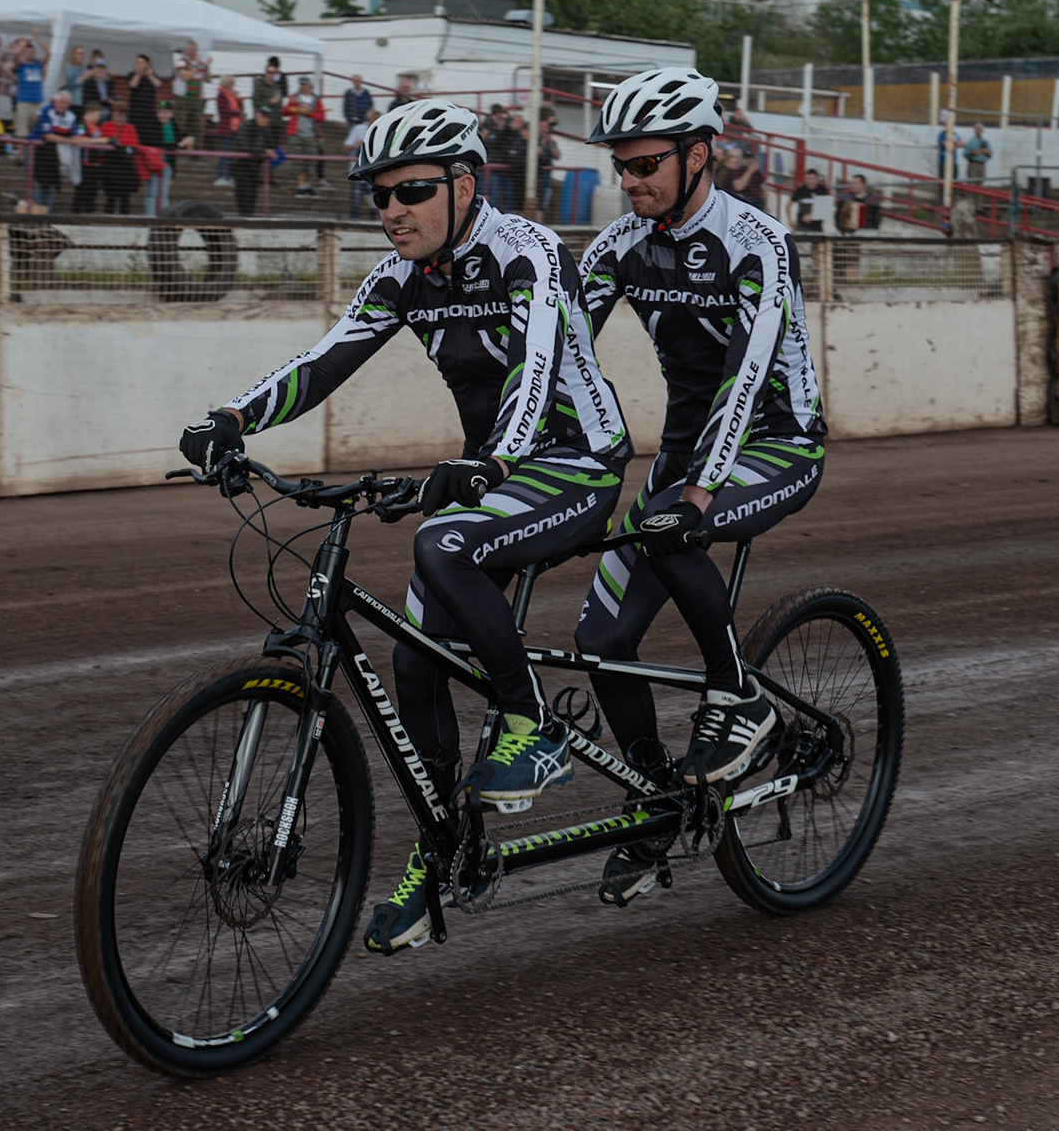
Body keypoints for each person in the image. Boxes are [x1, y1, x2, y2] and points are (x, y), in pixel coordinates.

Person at [178, 99, 632, 955]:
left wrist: (491, 463)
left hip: (575, 462)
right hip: (493, 471)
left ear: (465, 184)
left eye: (410, 191)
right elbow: (324, 361)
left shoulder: (528, 251)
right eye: (378, 195)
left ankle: (532, 728)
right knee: (413, 663)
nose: (391, 210)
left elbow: (534, 371)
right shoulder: (399, 276)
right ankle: (443, 847)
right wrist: (231, 419)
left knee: (441, 542)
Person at [575, 69, 825, 906]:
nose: (630, 180)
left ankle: (740, 697)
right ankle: (658, 800)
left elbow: (745, 380)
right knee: (600, 640)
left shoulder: (757, 239)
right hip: (687, 451)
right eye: (622, 164)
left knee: (667, 530)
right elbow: (558, 353)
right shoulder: (619, 245)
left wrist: (695, 495)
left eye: (646, 164)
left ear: (699, 154)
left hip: (776, 441)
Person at [26, 90, 81, 212]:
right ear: (55, 101)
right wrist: (68, 141)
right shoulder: (46, 111)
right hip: (35, 150)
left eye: (66, 103)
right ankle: (34, 214)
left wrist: (69, 140)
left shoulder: (71, 116)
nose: (63, 105)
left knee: (48, 185)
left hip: (51, 154)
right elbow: (48, 136)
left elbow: (75, 136)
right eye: (61, 102)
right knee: (35, 184)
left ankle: (46, 214)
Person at [282, 76, 325, 197]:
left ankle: (308, 186)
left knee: (311, 161)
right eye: (301, 84)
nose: (303, 86)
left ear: (310, 86)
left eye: (305, 84)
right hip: (296, 133)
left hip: (312, 134)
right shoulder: (294, 97)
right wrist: (294, 107)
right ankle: (300, 186)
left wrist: (309, 113)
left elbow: (322, 117)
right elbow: (284, 112)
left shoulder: (316, 99)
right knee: (298, 161)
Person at [230, 104, 274, 215]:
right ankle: (244, 216)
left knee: (253, 192)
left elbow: (271, 145)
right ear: (256, 115)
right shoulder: (246, 126)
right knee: (243, 191)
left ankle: (249, 215)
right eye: (263, 116)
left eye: (267, 117)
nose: (265, 120)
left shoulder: (266, 129)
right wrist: (264, 151)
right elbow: (245, 146)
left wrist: (272, 150)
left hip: (254, 165)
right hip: (240, 164)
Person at [9, 33, 48, 141]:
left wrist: (38, 38)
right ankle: (20, 151)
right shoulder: (21, 65)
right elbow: (16, 53)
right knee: (21, 132)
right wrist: (26, 41)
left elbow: (48, 53)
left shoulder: (38, 64)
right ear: (24, 53)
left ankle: (31, 151)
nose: (31, 54)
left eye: (33, 52)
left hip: (37, 102)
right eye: (28, 52)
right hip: (24, 102)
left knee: (35, 131)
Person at [343, 105, 379, 218]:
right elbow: (346, 147)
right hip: (357, 167)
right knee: (356, 192)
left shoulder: (380, 130)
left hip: (373, 168)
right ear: (369, 118)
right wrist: (357, 144)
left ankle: (373, 215)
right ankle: (354, 214)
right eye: (375, 117)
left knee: (371, 192)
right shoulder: (358, 129)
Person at [211, 73, 243, 186]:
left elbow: (239, 110)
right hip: (226, 129)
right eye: (231, 82)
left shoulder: (232, 96)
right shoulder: (221, 96)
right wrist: (237, 113)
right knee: (225, 154)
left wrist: (239, 101)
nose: (233, 85)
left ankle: (230, 176)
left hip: (234, 128)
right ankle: (221, 176)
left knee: (233, 155)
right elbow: (225, 111)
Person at [789, 167, 830, 232]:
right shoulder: (800, 190)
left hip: (817, 226)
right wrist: (790, 220)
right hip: (802, 226)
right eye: (807, 179)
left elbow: (826, 208)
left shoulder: (822, 190)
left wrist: (812, 216)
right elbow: (789, 204)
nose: (809, 181)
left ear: (817, 180)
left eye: (811, 179)